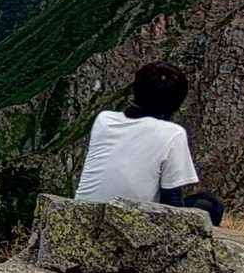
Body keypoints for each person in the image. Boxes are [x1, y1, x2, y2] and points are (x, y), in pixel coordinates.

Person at [75, 61, 223, 223]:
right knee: (210, 205)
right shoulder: (173, 133)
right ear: (177, 103)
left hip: (82, 214)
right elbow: (171, 201)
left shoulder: (104, 120)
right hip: (129, 220)